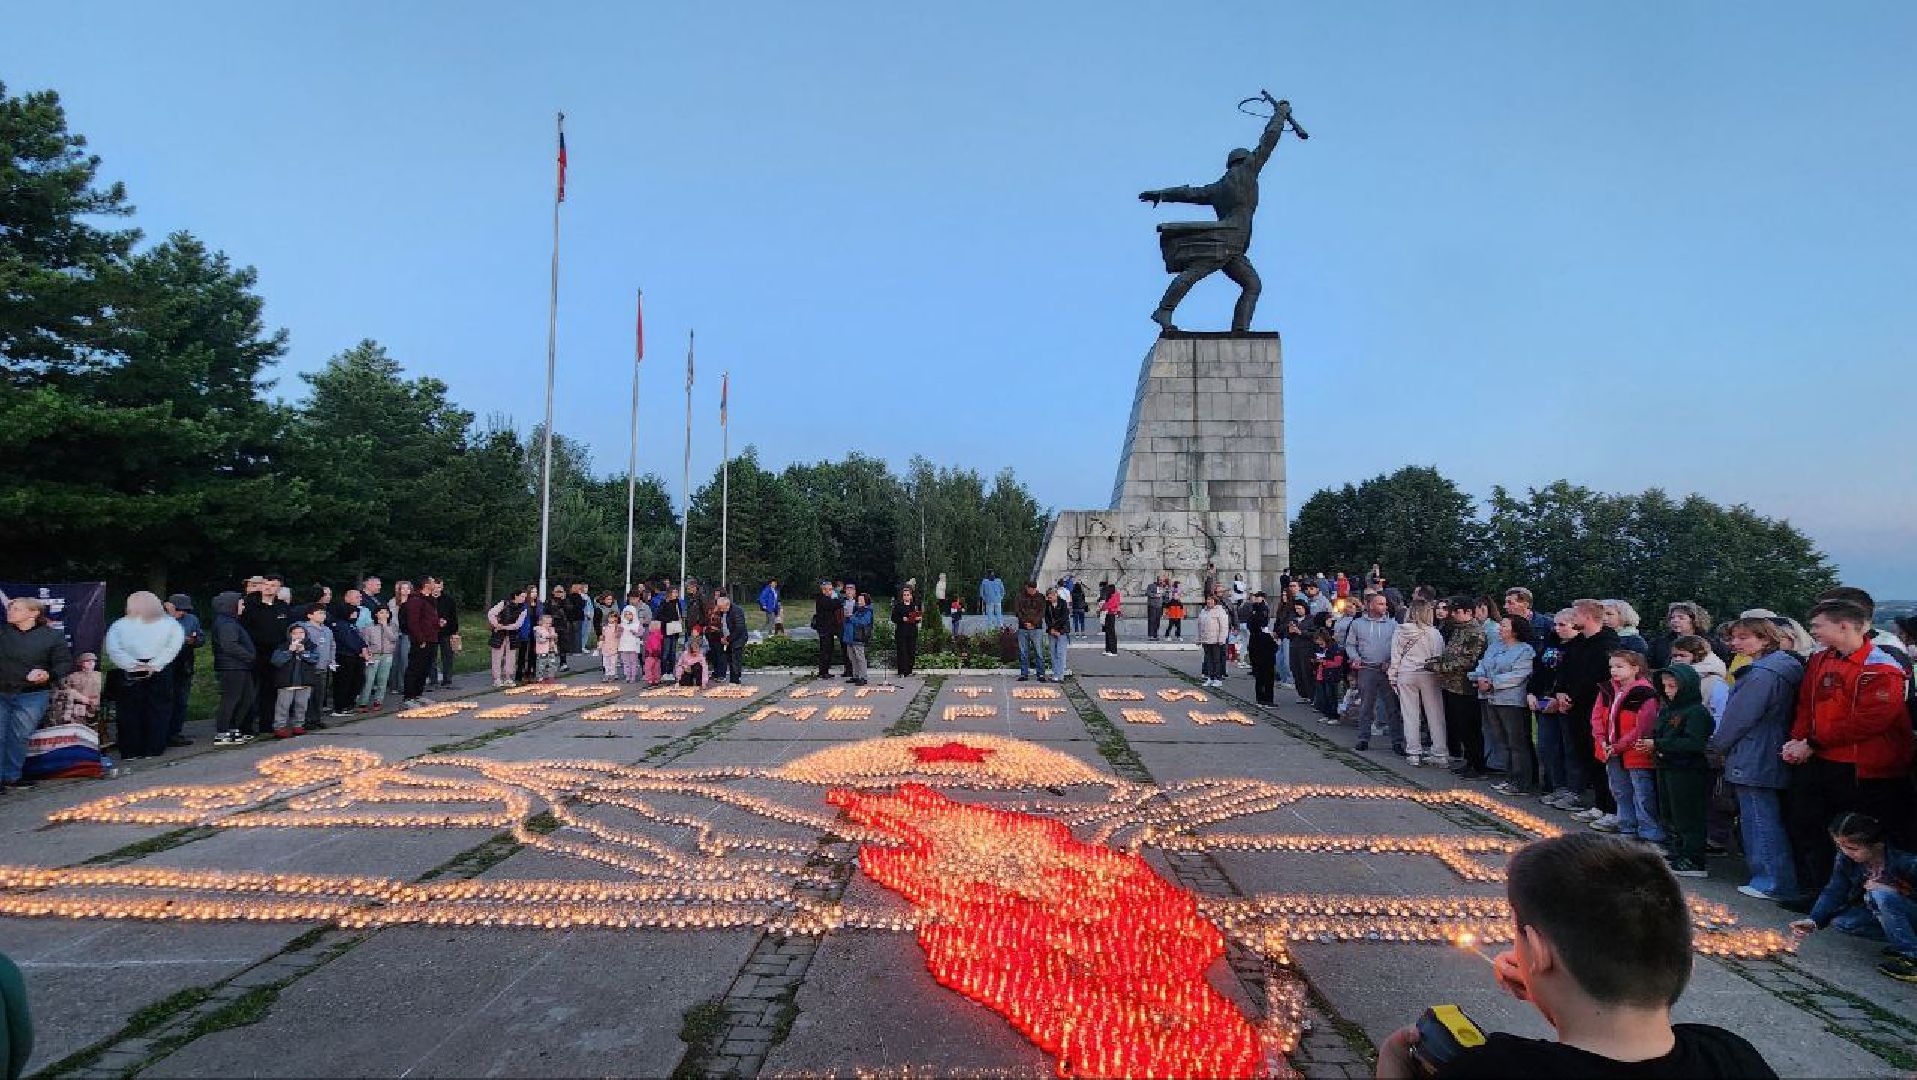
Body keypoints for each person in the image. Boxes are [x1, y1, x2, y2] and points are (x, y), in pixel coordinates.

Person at [1376, 833, 1778, 1079]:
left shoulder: (1491, 1069)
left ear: (1537, 950)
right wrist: (1547, 990)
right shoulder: (1731, 1056)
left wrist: (1393, 1066)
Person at [1784, 598, 1914, 899]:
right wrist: (1798, 740)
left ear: (1843, 626)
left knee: (1860, 835)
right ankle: (1820, 892)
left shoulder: (1881, 666)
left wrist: (1812, 742)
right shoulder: (1820, 659)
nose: (1812, 631)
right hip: (1821, 758)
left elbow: (1870, 720)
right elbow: (1807, 704)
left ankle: (1866, 900)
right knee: (1812, 825)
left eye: (1818, 626)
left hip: (1866, 768)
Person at [1708, 617, 1804, 901]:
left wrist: (1716, 746)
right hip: (1767, 746)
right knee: (1762, 813)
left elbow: (1739, 718)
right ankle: (1772, 877)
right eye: (1734, 638)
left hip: (1755, 749)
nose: (1735, 643)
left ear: (1764, 639)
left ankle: (1770, 880)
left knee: (1758, 816)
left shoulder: (1762, 674)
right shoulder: (1783, 667)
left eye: (1743, 637)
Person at [1789, 812, 1917, 983]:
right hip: (1888, 911)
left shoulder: (1905, 861)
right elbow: (1835, 890)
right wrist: (1814, 919)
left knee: (1880, 894)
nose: (1845, 852)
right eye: (1840, 846)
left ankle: (1911, 957)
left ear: (1877, 845)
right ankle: (1902, 939)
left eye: (1852, 848)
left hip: (1909, 908)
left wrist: (1894, 889)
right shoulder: (1846, 859)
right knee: (1844, 923)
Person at [1639, 664, 1714, 877]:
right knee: (1670, 812)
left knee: (1688, 814)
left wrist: (1659, 744)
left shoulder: (1696, 712)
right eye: (1665, 686)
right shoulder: (1669, 709)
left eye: (1673, 686)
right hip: (1668, 765)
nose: (1669, 691)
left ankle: (1693, 858)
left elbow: (1694, 742)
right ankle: (1679, 851)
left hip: (1687, 770)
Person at [1553, 599, 1623, 817]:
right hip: (1574, 707)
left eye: (1576, 615)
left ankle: (1610, 808)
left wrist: (1573, 695)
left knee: (1600, 758)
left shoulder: (1607, 644)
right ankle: (1598, 804)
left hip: (1595, 708)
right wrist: (1561, 692)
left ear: (1588, 617)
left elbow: (1597, 677)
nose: (1573, 619)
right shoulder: (1577, 643)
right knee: (1584, 755)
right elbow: (1564, 669)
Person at [1588, 650, 1665, 844]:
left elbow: (1642, 727)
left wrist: (1618, 746)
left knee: (1642, 792)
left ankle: (1649, 832)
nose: (1614, 670)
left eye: (1619, 666)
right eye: (1612, 666)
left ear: (1635, 668)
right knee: (1620, 790)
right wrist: (1601, 740)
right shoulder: (1606, 690)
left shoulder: (1644, 693)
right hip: (1610, 750)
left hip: (1634, 752)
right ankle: (1627, 826)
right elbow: (1597, 717)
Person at [104, 591, 185, 760]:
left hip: (128, 670)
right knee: (158, 709)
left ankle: (130, 750)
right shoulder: (170, 624)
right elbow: (174, 645)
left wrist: (132, 665)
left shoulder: (119, 625)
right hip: (160, 670)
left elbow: (113, 648)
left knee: (128, 711)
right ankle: (154, 748)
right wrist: (155, 665)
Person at [2, 598, 73, 788]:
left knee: (19, 736)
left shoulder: (52, 636)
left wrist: (48, 674)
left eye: (16, 609)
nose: (10, 612)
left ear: (33, 613)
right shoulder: (3, 632)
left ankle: (11, 777)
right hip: (2, 691)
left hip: (32, 694)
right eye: (10, 608)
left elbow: (65, 663)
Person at [1475, 616, 1538, 795]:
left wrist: (1493, 682)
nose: (1500, 628)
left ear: (1515, 630)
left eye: (1504, 625)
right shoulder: (1495, 647)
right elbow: (1482, 664)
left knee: (1516, 741)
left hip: (1511, 700)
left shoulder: (1525, 650)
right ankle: (1510, 775)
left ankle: (1522, 781)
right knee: (1502, 740)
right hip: (1491, 698)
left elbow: (1519, 674)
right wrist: (1480, 677)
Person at [1433, 599, 1490, 778]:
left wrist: (1440, 667)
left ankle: (1477, 764)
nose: (1453, 615)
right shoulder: (1458, 630)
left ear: (1468, 612)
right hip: (1452, 685)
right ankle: (1469, 761)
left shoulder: (1475, 633)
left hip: (1466, 686)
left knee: (1470, 727)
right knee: (1460, 726)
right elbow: (1449, 653)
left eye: (1457, 612)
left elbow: (1468, 661)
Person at [1531, 609, 1581, 807]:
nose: (1557, 628)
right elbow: (1539, 671)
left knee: (1569, 748)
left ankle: (1573, 789)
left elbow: (1571, 677)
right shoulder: (1550, 645)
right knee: (1547, 745)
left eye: (1563, 625)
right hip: (1544, 699)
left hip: (1565, 703)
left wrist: (1557, 697)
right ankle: (1555, 785)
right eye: (1555, 624)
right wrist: (1532, 693)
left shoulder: (1578, 648)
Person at [1390, 601, 1447, 767]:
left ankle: (1413, 752)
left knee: (1410, 714)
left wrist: (1393, 676)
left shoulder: (1400, 631)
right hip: (1428, 674)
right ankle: (1440, 752)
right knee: (1435, 714)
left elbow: (1395, 656)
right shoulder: (1434, 633)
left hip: (1406, 673)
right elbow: (1438, 656)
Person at [1343, 593, 1400, 754]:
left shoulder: (1393, 624)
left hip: (1386, 669)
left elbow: (1398, 647)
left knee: (1392, 707)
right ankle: (1363, 738)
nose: (1384, 607)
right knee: (1366, 705)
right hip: (1366, 668)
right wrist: (1355, 658)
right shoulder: (1358, 624)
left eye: (1385, 604)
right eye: (1380, 604)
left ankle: (1397, 741)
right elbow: (1350, 645)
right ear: (1370, 605)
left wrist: (1390, 661)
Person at [241, 574, 292, 739]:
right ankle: (245, 726)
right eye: (266, 584)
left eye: (273, 585)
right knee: (250, 691)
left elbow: (287, 629)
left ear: (278, 588)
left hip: (275, 654)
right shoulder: (250, 603)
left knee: (270, 691)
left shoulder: (282, 606)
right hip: (253, 653)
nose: (268, 587)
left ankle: (266, 724)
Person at [207, 592, 257, 746]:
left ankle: (233, 727)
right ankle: (223, 731)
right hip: (232, 666)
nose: (243, 606)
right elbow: (229, 645)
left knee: (246, 698)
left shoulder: (231, 622)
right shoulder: (226, 624)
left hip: (240, 666)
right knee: (231, 699)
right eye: (240, 604)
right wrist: (249, 656)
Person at [161, 594, 202, 748]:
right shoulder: (161, 620)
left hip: (184, 662)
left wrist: (194, 640)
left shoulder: (192, 620)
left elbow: (201, 638)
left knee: (181, 700)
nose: (182, 613)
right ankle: (162, 732)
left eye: (185, 610)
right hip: (166, 663)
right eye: (179, 610)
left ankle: (175, 732)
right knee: (166, 699)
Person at [269, 622, 320, 739]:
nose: (298, 635)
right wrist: (289, 651)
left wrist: (303, 652)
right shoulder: (283, 646)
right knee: (283, 705)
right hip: (287, 682)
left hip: (304, 681)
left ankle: (298, 725)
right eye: (295, 633)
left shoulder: (311, 646)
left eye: (301, 633)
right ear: (290, 635)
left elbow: (315, 659)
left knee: (301, 705)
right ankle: (279, 727)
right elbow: (276, 661)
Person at [400, 579, 445, 706]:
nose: (435, 585)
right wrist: (420, 639)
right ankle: (408, 697)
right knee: (415, 667)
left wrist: (438, 622)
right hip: (421, 640)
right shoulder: (415, 600)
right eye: (432, 583)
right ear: (426, 585)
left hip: (432, 638)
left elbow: (427, 619)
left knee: (425, 668)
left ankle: (418, 694)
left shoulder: (430, 600)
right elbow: (413, 622)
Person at [297, 603, 336, 731]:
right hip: (309, 666)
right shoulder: (304, 628)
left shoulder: (327, 630)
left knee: (320, 695)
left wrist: (332, 660)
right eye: (319, 613)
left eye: (324, 613)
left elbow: (332, 646)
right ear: (310, 615)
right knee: (308, 695)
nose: (322, 616)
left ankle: (317, 719)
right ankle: (305, 720)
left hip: (323, 667)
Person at [326, 600, 368, 719]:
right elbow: (348, 641)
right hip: (344, 656)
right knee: (343, 683)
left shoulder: (350, 624)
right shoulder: (339, 625)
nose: (356, 615)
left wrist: (363, 647)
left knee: (355, 682)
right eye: (354, 612)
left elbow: (358, 638)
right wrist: (360, 650)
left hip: (354, 657)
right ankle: (340, 707)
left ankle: (348, 705)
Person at [358, 606, 397, 711]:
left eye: (386, 613)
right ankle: (363, 702)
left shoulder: (392, 626)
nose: (384, 615)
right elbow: (365, 642)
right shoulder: (369, 627)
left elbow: (393, 638)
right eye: (381, 612)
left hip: (387, 655)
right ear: (376, 614)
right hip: (373, 655)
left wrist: (385, 626)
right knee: (369, 679)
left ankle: (378, 701)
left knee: (383, 679)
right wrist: (367, 653)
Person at [487, 589, 528, 688]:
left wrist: (503, 627)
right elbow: (491, 613)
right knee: (497, 656)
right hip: (499, 634)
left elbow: (517, 625)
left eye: (525, 597)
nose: (523, 599)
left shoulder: (523, 609)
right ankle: (497, 678)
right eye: (522, 596)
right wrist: (496, 624)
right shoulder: (504, 603)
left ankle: (508, 677)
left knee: (511, 657)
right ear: (516, 596)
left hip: (512, 634)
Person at [1245, 592, 1277, 707]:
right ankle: (1266, 699)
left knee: (1260, 675)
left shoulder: (1255, 611)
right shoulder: (1259, 611)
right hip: (1262, 645)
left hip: (1256, 644)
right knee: (1266, 675)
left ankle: (1261, 698)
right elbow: (1260, 624)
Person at [1014, 581, 1049, 683]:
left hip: (1036, 628)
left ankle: (1041, 674)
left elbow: (1042, 612)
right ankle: (1024, 674)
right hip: (1023, 627)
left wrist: (1033, 623)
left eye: (1034, 589)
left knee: (1039, 652)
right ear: (1027, 587)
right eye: (1030, 588)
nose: (1032, 591)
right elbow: (1017, 611)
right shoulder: (1020, 597)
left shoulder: (1040, 597)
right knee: (1023, 652)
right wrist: (1025, 623)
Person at [58, 653, 103, 729]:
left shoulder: (100, 675)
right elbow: (64, 690)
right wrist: (81, 698)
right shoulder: (73, 676)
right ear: (81, 663)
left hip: (98, 706)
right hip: (80, 707)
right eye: (87, 661)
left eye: (93, 661)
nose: (91, 663)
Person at [1311, 629, 1347, 720]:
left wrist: (1324, 662)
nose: (1318, 642)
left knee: (1331, 696)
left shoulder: (1334, 647)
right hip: (1321, 674)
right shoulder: (1320, 648)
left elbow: (1338, 662)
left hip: (1331, 675)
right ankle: (1326, 714)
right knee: (1324, 697)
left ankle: (1334, 716)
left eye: (1319, 640)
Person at [1197, 593, 1230, 689]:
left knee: (1217, 660)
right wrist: (1199, 639)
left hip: (1216, 640)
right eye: (1208, 599)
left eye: (1211, 600)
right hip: (1206, 640)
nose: (1209, 601)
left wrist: (1221, 639)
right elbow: (1200, 626)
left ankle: (1218, 678)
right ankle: (1210, 677)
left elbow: (1224, 626)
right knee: (1209, 660)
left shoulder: (1220, 611)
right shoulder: (1203, 611)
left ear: (1215, 601)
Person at [715, 594, 748, 684]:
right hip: (728, 638)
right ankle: (733, 679)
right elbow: (722, 625)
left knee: (735, 659)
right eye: (719, 608)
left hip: (737, 639)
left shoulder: (737, 611)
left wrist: (728, 639)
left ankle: (736, 680)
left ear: (727, 604)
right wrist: (722, 636)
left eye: (721, 608)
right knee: (730, 659)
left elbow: (739, 628)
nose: (720, 610)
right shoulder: (723, 611)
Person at [842, 593, 874, 687]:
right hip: (850, 637)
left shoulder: (867, 611)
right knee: (852, 658)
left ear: (865, 601)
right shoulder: (857, 610)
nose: (858, 601)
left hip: (859, 637)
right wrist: (847, 618)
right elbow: (851, 621)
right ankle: (856, 675)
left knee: (860, 658)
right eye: (858, 599)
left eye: (861, 600)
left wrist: (851, 617)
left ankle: (863, 677)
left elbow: (864, 622)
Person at [892, 587, 922, 678]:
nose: (906, 596)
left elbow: (918, 617)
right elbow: (893, 618)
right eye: (904, 595)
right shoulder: (898, 606)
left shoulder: (914, 606)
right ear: (902, 596)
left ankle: (909, 670)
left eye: (908, 595)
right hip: (901, 631)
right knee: (902, 651)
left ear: (911, 596)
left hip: (912, 631)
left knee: (911, 651)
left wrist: (918, 619)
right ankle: (901, 671)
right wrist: (902, 619)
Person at [812, 581, 840, 678]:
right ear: (824, 590)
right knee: (825, 650)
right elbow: (835, 604)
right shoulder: (822, 599)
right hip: (825, 629)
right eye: (830, 589)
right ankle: (823, 672)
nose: (831, 591)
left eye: (832, 589)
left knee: (829, 649)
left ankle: (825, 671)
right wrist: (836, 598)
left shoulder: (825, 598)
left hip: (828, 628)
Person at [1044, 586, 1072, 683]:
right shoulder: (1047, 604)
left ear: (1055, 594)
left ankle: (1060, 675)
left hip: (1062, 631)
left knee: (1060, 653)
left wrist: (1057, 630)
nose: (1049, 599)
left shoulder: (1063, 603)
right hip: (1051, 631)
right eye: (1048, 597)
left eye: (1050, 597)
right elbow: (1047, 618)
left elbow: (1064, 618)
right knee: (1053, 653)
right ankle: (1055, 674)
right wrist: (1051, 629)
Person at [531, 613, 560, 683]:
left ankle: (551, 677)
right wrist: (548, 637)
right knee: (541, 665)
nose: (548, 625)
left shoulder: (551, 629)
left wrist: (555, 638)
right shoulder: (538, 630)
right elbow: (539, 640)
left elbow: (555, 641)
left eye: (550, 623)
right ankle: (540, 678)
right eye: (546, 623)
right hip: (542, 651)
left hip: (551, 650)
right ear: (540, 623)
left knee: (552, 664)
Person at [597, 607, 623, 679]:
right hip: (605, 647)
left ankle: (612, 674)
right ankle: (607, 674)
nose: (612, 619)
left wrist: (618, 630)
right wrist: (599, 646)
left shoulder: (618, 627)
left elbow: (619, 637)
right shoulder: (605, 627)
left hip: (614, 647)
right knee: (606, 662)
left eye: (614, 617)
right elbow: (603, 637)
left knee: (613, 662)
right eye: (610, 617)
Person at [1099, 581, 1122, 656]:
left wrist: (1103, 606)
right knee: (1108, 632)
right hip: (1108, 614)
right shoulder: (1111, 595)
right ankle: (1108, 649)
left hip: (1111, 614)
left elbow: (1110, 605)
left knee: (1111, 632)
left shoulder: (1114, 596)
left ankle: (1113, 650)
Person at [1145, 575, 1167, 641]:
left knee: (1157, 621)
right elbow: (1148, 593)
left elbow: (1164, 596)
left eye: (1162, 580)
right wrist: (1155, 595)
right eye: (1160, 580)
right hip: (1152, 605)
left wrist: (1165, 593)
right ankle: (1150, 635)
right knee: (1152, 620)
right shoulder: (1151, 586)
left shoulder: (1163, 587)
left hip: (1159, 606)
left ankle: (1155, 635)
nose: (1161, 581)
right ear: (1157, 580)